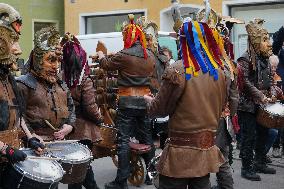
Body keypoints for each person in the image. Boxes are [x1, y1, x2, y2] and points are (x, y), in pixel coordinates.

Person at [144, 15, 227, 188]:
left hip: (180, 156)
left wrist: (148, 102)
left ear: (183, 42)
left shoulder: (177, 70)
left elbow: (159, 110)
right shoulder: (219, 71)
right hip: (205, 152)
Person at [97, 14, 156, 189]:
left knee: (123, 140)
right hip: (145, 102)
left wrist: (101, 54)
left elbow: (106, 64)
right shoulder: (149, 55)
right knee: (147, 137)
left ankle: (121, 181)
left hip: (127, 102)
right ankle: (151, 174)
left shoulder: (124, 55)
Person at [0, 3, 44, 189]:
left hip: (8, 158)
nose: (18, 50)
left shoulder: (9, 79)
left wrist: (29, 136)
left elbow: (17, 115)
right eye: (12, 41)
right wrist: (5, 149)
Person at [16, 26, 75, 143]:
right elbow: (18, 117)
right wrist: (31, 136)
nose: (56, 66)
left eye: (59, 60)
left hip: (60, 143)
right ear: (38, 61)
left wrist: (70, 126)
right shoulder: (23, 85)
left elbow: (71, 109)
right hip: (34, 145)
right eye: (51, 60)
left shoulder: (61, 85)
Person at [61, 33, 103, 189]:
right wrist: (100, 119)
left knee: (78, 167)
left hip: (67, 128)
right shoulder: (83, 80)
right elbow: (90, 107)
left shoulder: (60, 77)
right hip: (84, 129)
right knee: (82, 166)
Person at [237, 19, 276, 181]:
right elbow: (245, 82)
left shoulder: (265, 59)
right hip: (247, 106)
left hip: (262, 104)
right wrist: (261, 96)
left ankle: (259, 161)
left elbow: (271, 80)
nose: (270, 43)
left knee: (264, 133)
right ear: (256, 41)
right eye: (266, 40)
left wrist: (272, 92)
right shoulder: (245, 59)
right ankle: (246, 167)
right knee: (249, 136)